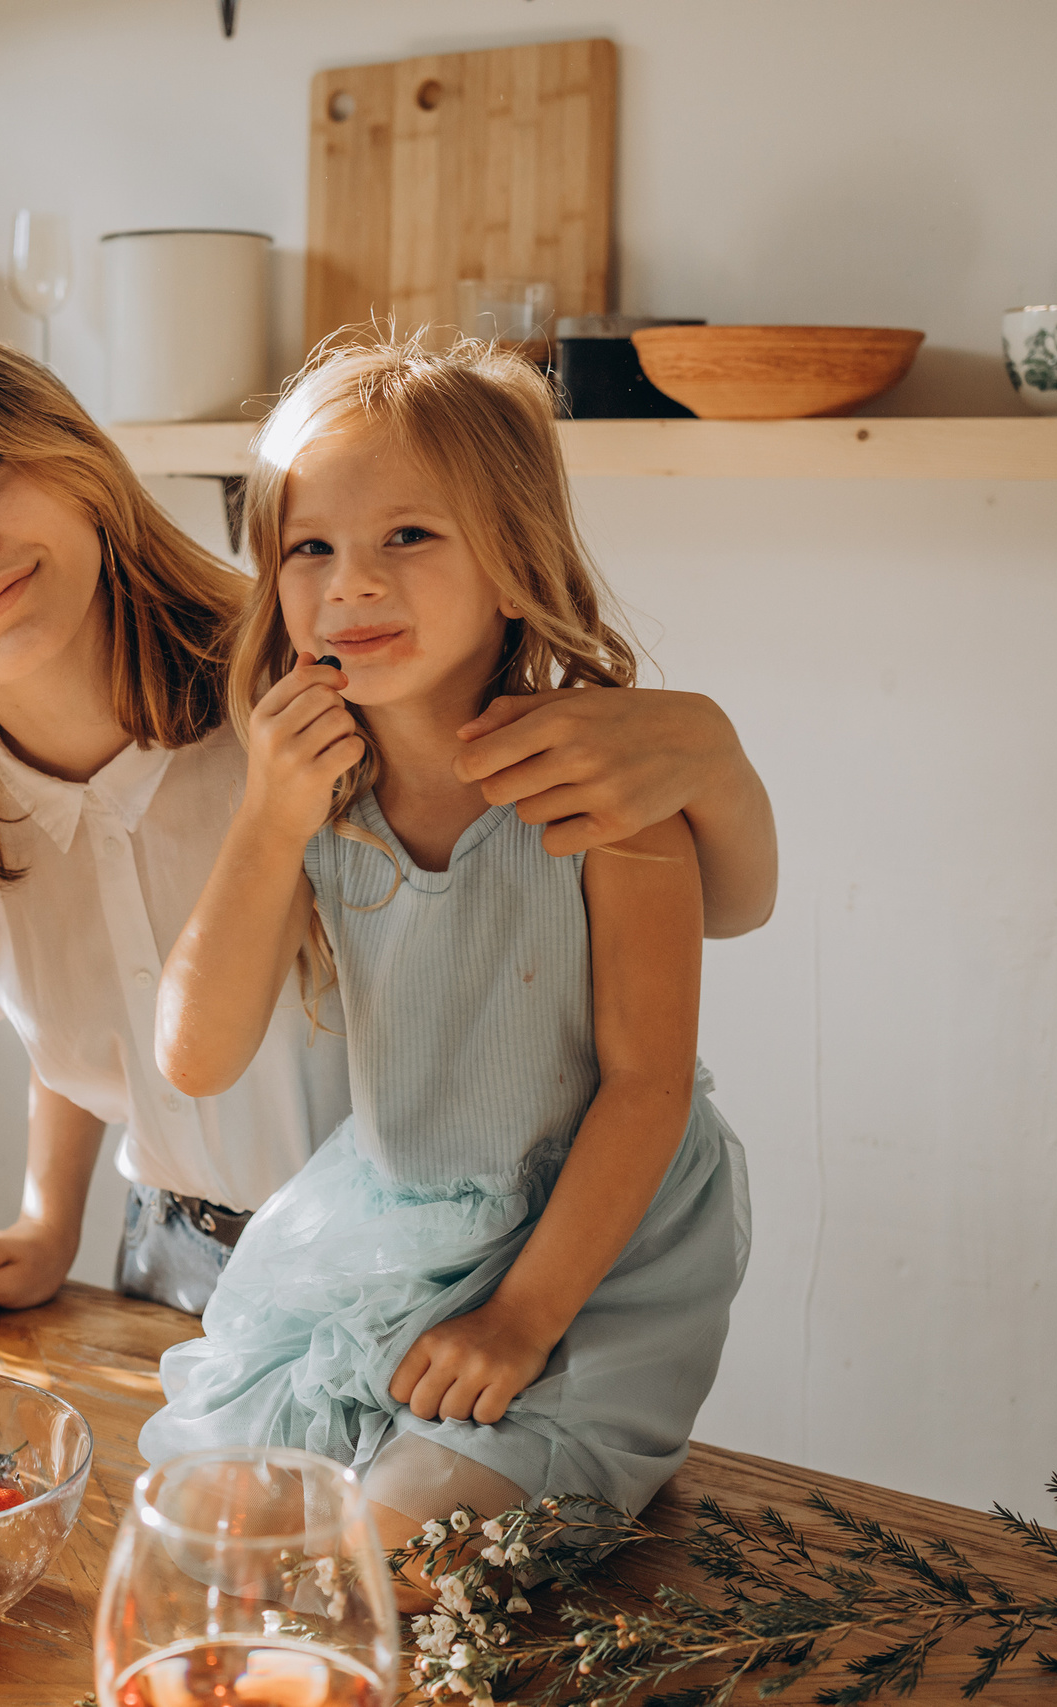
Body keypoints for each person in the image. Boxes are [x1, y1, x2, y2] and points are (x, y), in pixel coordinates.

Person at [0, 323, 772, 1322]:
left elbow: (668, 904)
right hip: (166, 1262)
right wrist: (45, 1218)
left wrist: (715, 761)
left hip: (433, 1275)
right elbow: (84, 1017)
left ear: (77, 464)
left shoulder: (315, 696)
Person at [137, 337, 751, 1573]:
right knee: (228, 1544)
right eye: (310, 549)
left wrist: (521, 1321)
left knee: (393, 1565)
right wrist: (267, 822)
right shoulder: (313, 799)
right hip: (391, 1224)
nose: (348, 584)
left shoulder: (606, 788)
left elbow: (645, 1083)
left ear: (515, 568)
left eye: (406, 537)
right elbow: (196, 1059)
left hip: (592, 1246)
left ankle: (570, 1429)